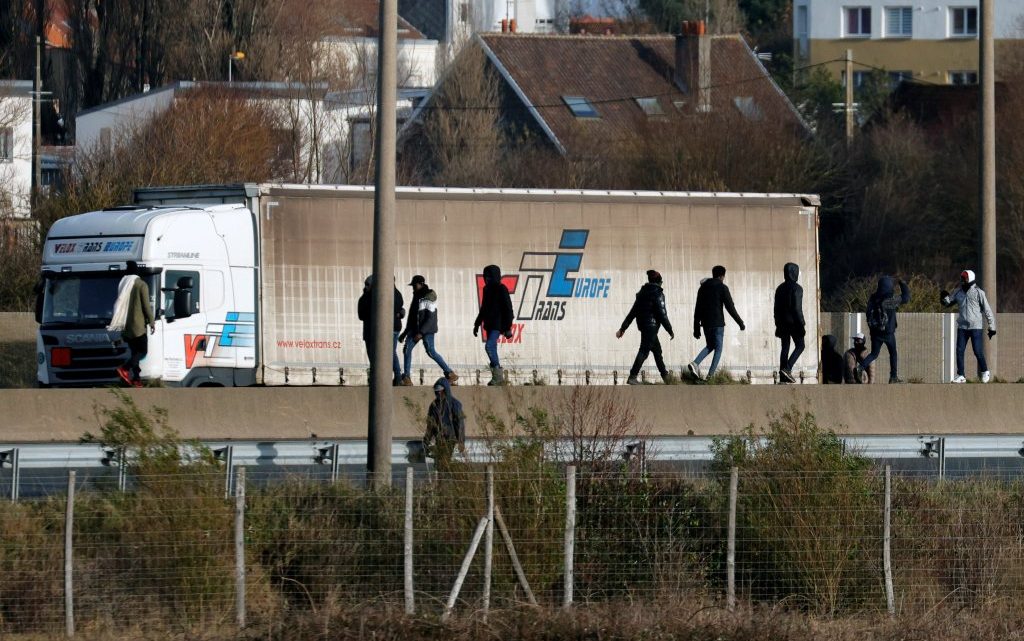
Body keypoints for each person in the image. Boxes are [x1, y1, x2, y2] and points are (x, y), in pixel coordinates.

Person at [616, 269, 674, 385]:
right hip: (652, 327)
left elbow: (632, 313)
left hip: (643, 326)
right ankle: (632, 376)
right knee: (644, 350)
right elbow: (662, 314)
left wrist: (623, 328)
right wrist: (670, 330)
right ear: (659, 282)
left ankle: (665, 377)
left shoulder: (641, 294)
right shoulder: (658, 294)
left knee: (657, 351)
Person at [688, 265, 744, 381]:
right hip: (718, 324)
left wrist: (696, 327)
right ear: (722, 276)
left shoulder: (702, 288)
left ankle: (695, 363)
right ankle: (710, 376)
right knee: (718, 349)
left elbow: (697, 308)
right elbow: (730, 308)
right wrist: (740, 322)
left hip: (706, 324)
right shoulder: (722, 288)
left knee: (710, 345)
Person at [941, 269, 996, 383]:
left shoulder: (978, 292)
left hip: (975, 327)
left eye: (964, 278)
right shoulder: (958, 292)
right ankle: (961, 375)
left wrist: (992, 327)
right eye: (961, 277)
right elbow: (949, 302)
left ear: (970, 278)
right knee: (959, 350)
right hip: (962, 327)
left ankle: (985, 371)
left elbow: (987, 310)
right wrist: (944, 298)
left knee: (977, 351)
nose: (962, 280)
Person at [400, 275, 457, 385]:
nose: (413, 288)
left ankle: (450, 374)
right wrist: (405, 332)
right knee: (407, 349)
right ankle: (407, 377)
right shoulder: (416, 296)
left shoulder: (429, 296)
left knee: (431, 351)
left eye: (414, 285)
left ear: (421, 284)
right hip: (415, 329)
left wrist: (421, 332)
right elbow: (412, 316)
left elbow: (431, 318)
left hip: (427, 330)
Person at [108, 261, 155, 387]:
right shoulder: (141, 284)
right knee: (143, 351)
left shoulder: (124, 284)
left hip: (125, 326)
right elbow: (146, 305)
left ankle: (136, 379)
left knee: (135, 353)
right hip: (138, 327)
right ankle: (125, 368)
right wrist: (151, 321)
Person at [858, 276, 910, 384]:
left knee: (874, 353)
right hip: (888, 333)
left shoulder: (873, 299)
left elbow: (868, 313)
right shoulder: (890, 300)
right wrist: (903, 284)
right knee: (893, 353)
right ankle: (893, 377)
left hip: (875, 332)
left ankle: (860, 367)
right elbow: (906, 298)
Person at [357, 275, 405, 385]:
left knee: (386, 353)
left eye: (368, 284)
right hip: (380, 329)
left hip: (385, 328)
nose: (366, 286)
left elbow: (391, 310)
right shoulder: (374, 296)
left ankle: (392, 377)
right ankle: (393, 377)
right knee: (387, 353)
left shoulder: (381, 295)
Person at [473, 265, 514, 386]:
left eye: (489, 277)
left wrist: (507, 326)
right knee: (493, 348)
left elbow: (508, 308)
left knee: (489, 346)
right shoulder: (486, 290)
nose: (486, 279)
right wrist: (477, 324)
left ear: (494, 277)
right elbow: (484, 309)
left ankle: (498, 376)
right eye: (485, 277)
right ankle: (496, 378)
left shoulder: (501, 289)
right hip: (490, 324)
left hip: (498, 324)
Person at [773, 263, 805, 383]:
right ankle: (787, 369)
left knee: (785, 347)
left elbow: (775, 309)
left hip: (782, 323)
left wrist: (777, 323)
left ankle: (782, 375)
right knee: (800, 345)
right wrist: (801, 324)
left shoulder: (780, 288)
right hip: (794, 323)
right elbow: (797, 309)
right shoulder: (797, 288)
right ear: (794, 273)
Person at [423, 376, 465, 468]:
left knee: (443, 463)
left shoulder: (455, 404)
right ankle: (440, 480)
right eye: (436, 391)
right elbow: (430, 425)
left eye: (440, 391)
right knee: (438, 464)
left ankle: (444, 479)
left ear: (445, 390)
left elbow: (460, 423)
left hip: (450, 439)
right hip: (439, 438)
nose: (438, 393)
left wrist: (461, 441)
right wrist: (426, 442)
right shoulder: (433, 405)